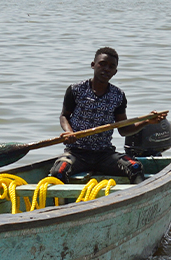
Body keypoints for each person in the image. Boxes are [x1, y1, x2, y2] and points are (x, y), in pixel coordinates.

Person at [49, 47, 149, 183]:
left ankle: (138, 200)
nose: (106, 69)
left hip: (105, 154)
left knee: (136, 167)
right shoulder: (76, 90)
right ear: (93, 65)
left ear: (115, 72)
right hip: (77, 153)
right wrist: (69, 132)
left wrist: (147, 121)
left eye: (111, 67)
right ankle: (65, 204)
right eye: (102, 64)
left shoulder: (118, 95)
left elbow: (124, 129)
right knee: (58, 172)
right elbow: (64, 116)